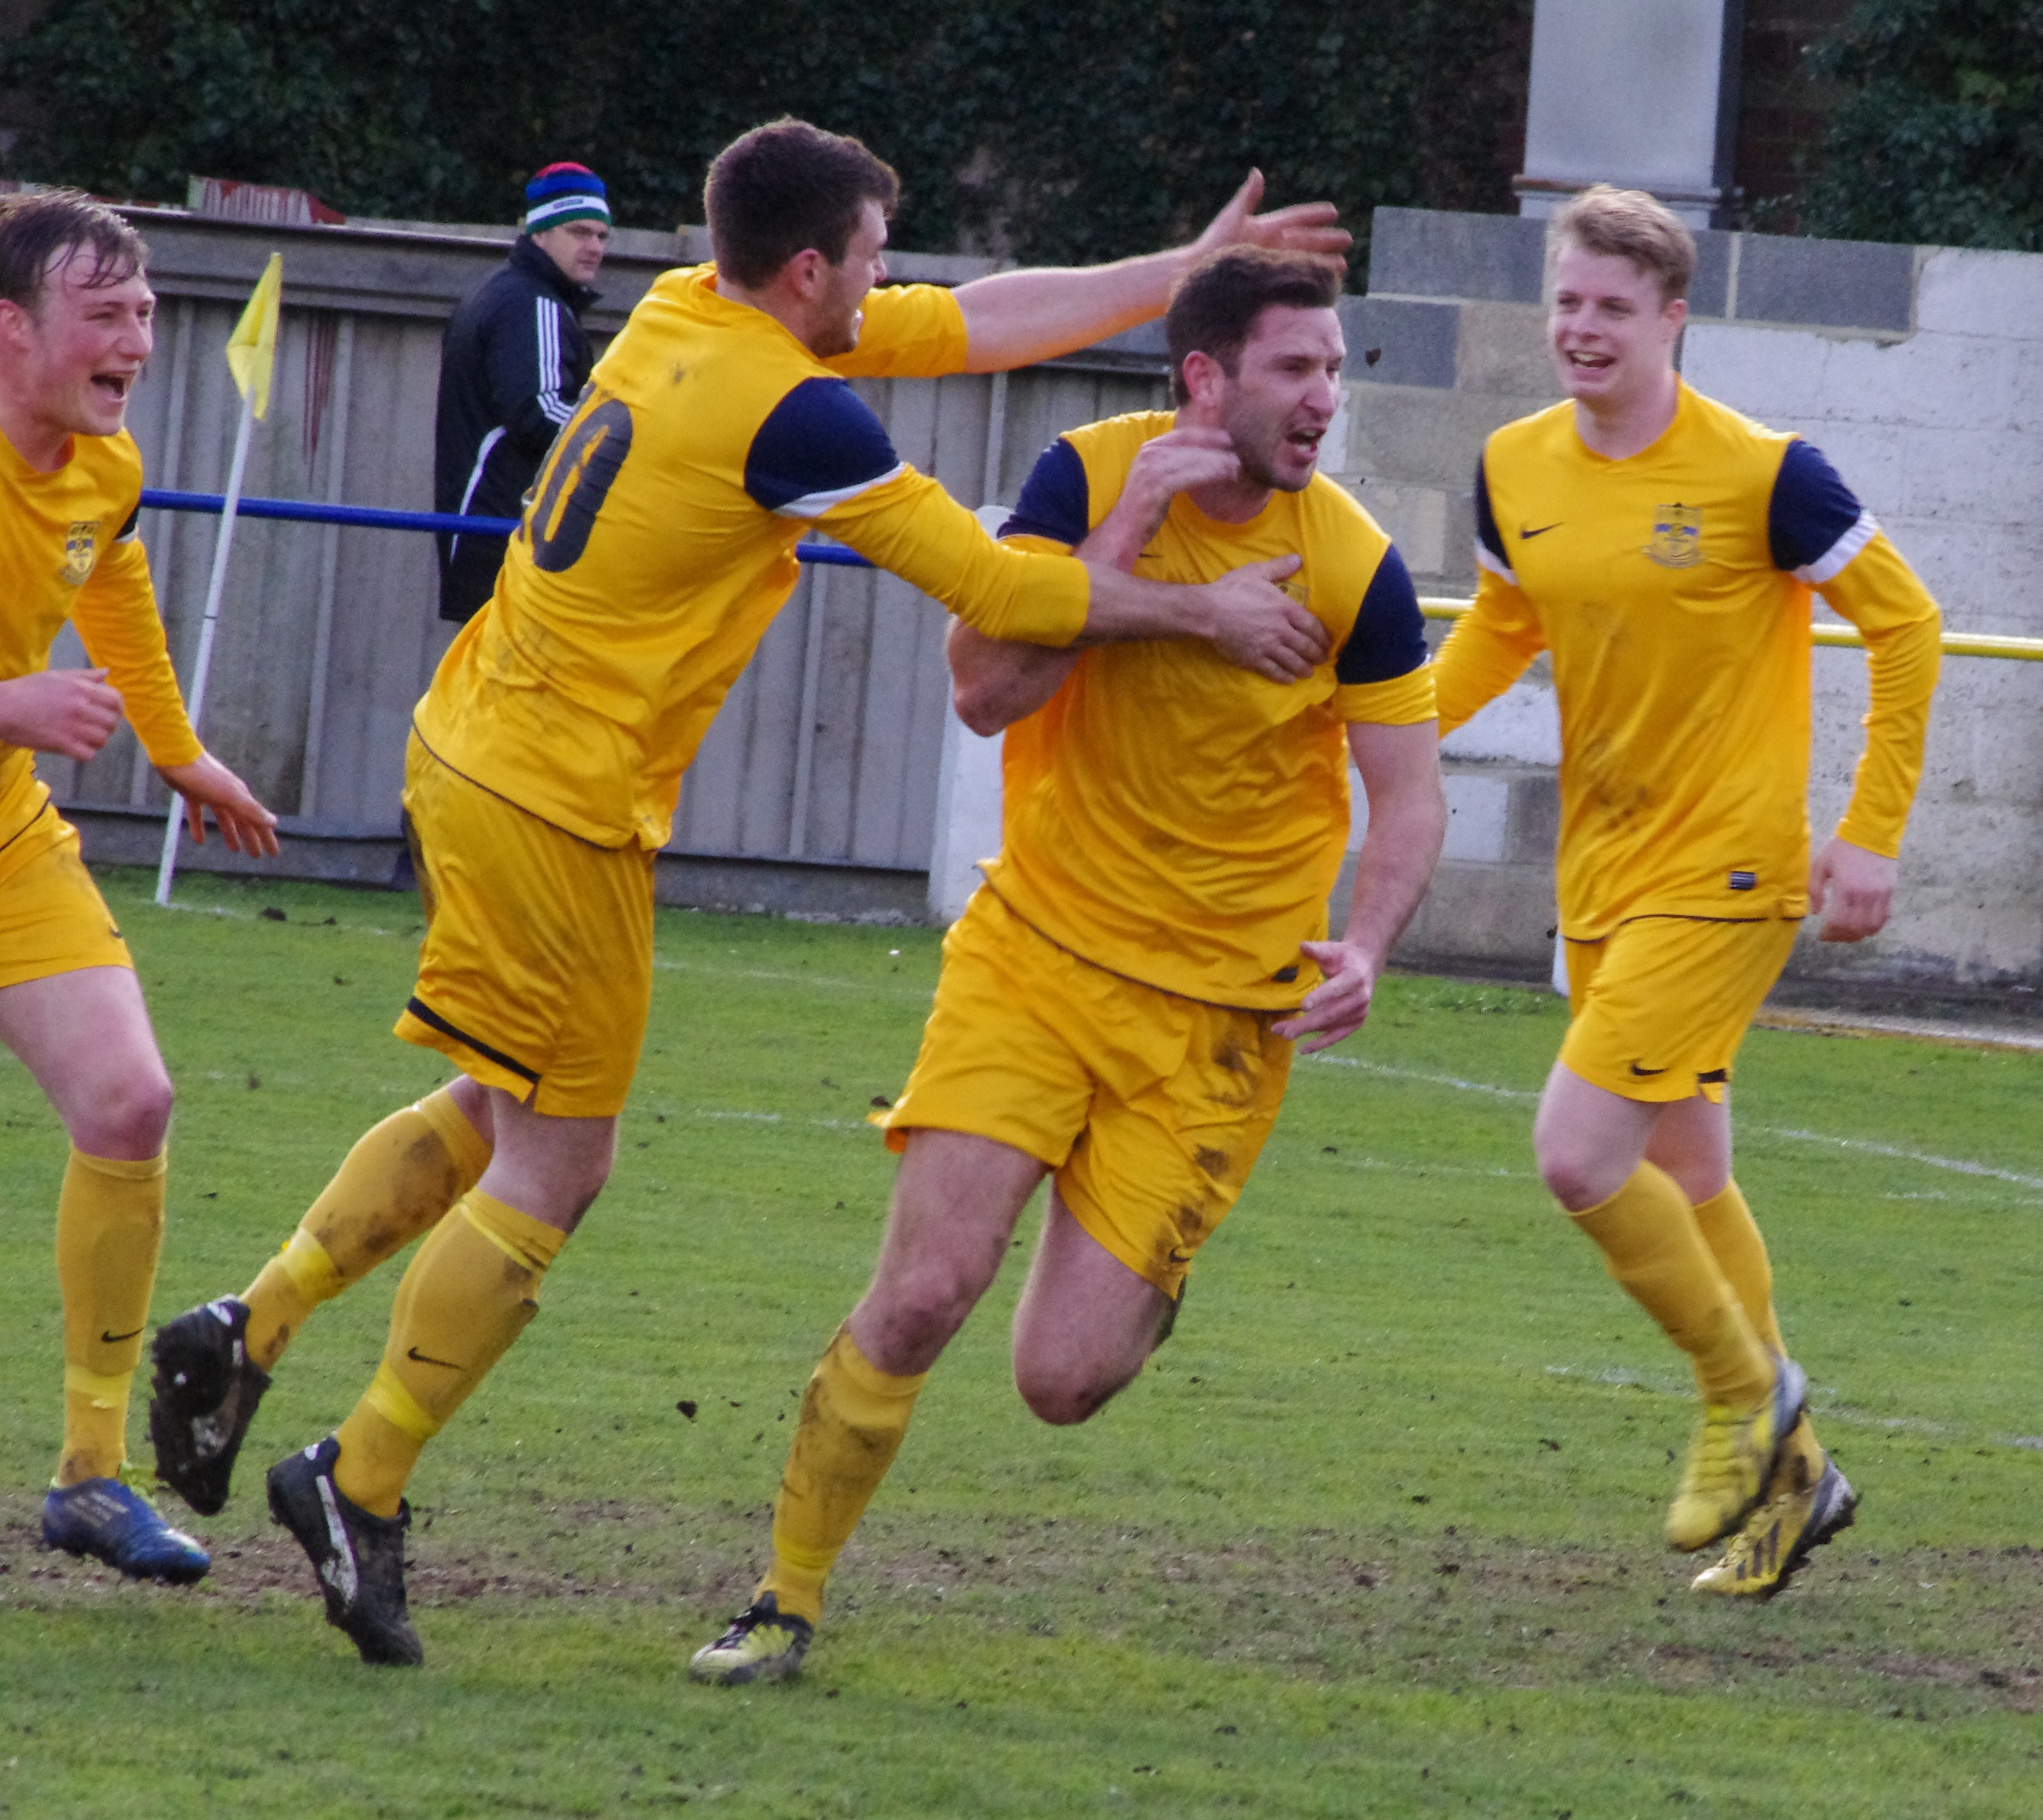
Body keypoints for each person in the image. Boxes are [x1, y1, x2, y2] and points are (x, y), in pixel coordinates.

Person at [148, 120, 1351, 1667]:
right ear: (808, 269)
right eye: (871, 254)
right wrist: (1195, 609)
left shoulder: (680, 311)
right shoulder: (793, 412)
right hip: (556, 801)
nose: (890, 279)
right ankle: (358, 1476)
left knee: (500, 1101)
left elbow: (972, 324)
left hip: (475, 743)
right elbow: (995, 593)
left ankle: (250, 1328)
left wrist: (1175, 276)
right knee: (555, 1170)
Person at [687, 245, 1447, 1685]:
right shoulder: (1084, 482)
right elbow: (984, 694)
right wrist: (1127, 547)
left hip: (1219, 1022)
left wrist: (1365, 939)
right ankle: (781, 1598)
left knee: (1059, 1380)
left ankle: (1138, 1276)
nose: (1323, 399)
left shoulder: (1355, 564)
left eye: (1334, 369)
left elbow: (1406, 796)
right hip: (1033, 955)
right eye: (1295, 368)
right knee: (919, 1294)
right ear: (1202, 379)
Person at [1430, 185, 1942, 1597]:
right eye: (1565, 302)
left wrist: (1869, 831)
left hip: (1723, 871)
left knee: (1575, 1154)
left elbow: (1903, 623)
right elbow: (1500, 625)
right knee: (1686, 1170)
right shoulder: (1509, 466)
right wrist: (1379, 722)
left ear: (1671, 317)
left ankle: (1742, 1395)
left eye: (1610, 306)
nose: (1579, 329)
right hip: (1601, 868)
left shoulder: (1763, 473)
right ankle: (1799, 1485)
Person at [0, 189, 279, 1583]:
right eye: (104, 316)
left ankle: (90, 1475)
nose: (138, 341)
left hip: (4, 838)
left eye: (148, 315)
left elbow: (114, 593)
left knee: (130, 1100)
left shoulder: (102, 465)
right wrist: (9, 703)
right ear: (10, 329)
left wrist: (181, 755)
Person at [433, 162, 612, 624]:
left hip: (480, 531)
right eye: (579, 232)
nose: (594, 247)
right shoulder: (532, 305)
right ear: (539, 233)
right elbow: (541, 413)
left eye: (602, 235)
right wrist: (624, 443)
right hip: (506, 536)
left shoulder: (501, 293)